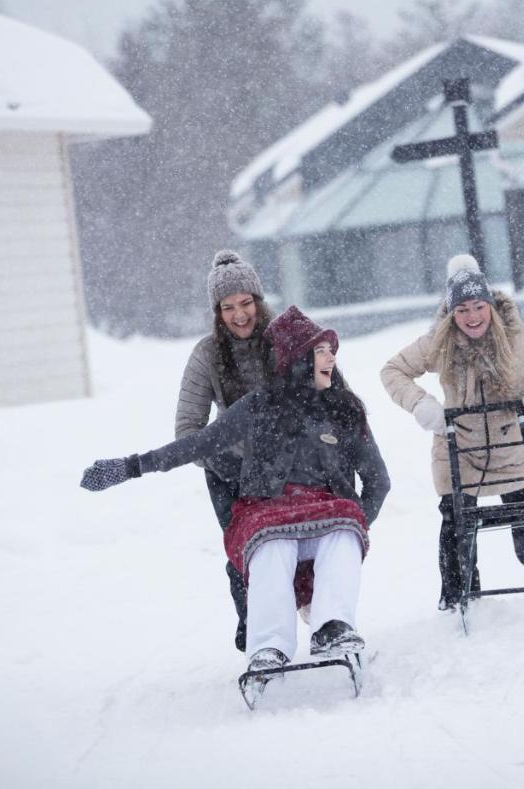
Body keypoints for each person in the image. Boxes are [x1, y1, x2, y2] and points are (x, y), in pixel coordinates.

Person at [81, 305, 390, 676]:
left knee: (343, 530)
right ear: (296, 358)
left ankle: (332, 628)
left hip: (329, 517)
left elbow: (378, 480)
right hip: (267, 516)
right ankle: (269, 646)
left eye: (330, 350)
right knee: (273, 544)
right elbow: (198, 444)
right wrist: (132, 466)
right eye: (321, 350)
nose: (331, 358)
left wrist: (358, 522)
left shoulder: (344, 411)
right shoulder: (258, 408)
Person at [381, 254, 524, 610]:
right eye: (462, 310)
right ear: (451, 314)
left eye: (478, 306)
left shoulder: (519, 340)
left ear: (490, 305)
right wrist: (422, 405)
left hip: (513, 449)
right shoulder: (439, 343)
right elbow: (393, 371)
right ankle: (459, 598)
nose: (472, 317)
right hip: (458, 451)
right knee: (456, 521)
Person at [176, 250, 276, 651]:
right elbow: (187, 430)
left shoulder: (282, 339)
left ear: (259, 301)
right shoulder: (207, 356)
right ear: (217, 312)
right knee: (246, 550)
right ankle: (253, 627)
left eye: (246, 303)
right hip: (229, 472)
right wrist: (229, 456)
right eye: (228, 307)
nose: (239, 314)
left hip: (290, 463)